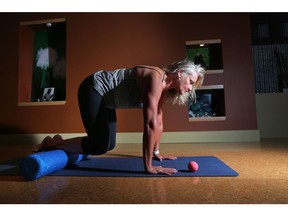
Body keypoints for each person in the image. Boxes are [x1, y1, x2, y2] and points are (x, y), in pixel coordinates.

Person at [34, 59, 205, 175]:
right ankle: (51, 143)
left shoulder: (165, 89)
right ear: (180, 72)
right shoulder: (156, 78)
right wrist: (149, 166)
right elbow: (149, 124)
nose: (191, 88)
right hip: (94, 89)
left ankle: (57, 141)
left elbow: (158, 121)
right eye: (191, 82)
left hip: (107, 100)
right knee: (99, 145)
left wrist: (156, 152)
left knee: (109, 144)